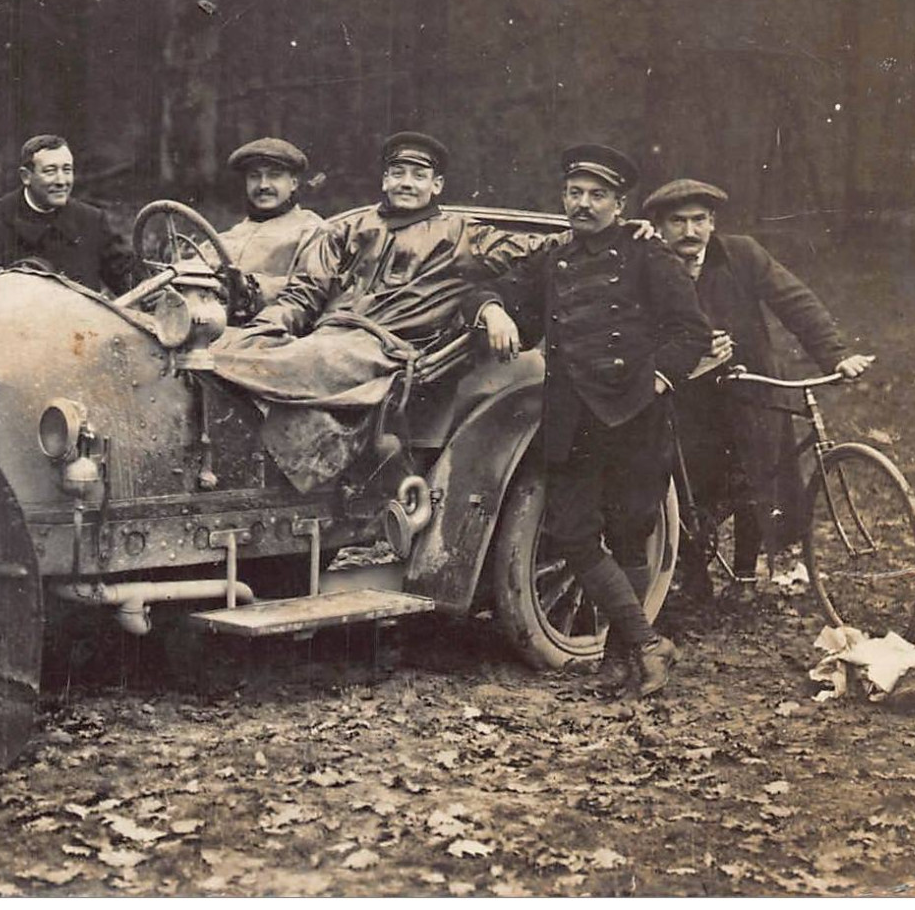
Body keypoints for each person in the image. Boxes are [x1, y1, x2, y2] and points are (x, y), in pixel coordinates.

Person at [475, 145, 713, 698]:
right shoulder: (552, 257)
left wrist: (657, 381)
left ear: (618, 203)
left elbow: (690, 332)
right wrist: (491, 311)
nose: (583, 205)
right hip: (571, 418)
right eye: (575, 193)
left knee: (629, 537)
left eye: (597, 195)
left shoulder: (646, 255)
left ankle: (617, 659)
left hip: (635, 417)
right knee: (574, 534)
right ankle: (649, 643)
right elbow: (500, 292)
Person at [210, 131, 540, 492]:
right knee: (229, 347)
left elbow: (539, 254)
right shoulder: (348, 229)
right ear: (385, 180)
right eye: (398, 173)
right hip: (330, 338)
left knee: (238, 363)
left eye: (418, 175)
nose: (407, 184)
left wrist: (494, 306)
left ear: (437, 185)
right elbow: (303, 294)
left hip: (384, 349)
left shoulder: (461, 235)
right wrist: (261, 329)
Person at [642, 178, 873, 594]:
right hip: (686, 393)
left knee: (758, 473)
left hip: (750, 386)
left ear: (713, 223)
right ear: (659, 225)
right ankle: (690, 570)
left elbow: (794, 300)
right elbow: (629, 326)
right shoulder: (649, 264)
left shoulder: (742, 255)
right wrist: (683, 349)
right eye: (677, 221)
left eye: (699, 220)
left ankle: (746, 574)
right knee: (688, 480)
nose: (690, 232)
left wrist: (835, 354)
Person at [0, 134, 136, 295]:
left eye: (67, 170)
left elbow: (132, 284)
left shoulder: (91, 221)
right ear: (26, 176)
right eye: (50, 171)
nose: (61, 181)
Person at [218, 138, 324, 311]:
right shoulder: (231, 234)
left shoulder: (312, 231)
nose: (263, 185)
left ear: (293, 184)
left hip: (273, 330)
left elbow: (314, 289)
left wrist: (251, 288)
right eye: (254, 176)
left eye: (274, 175)